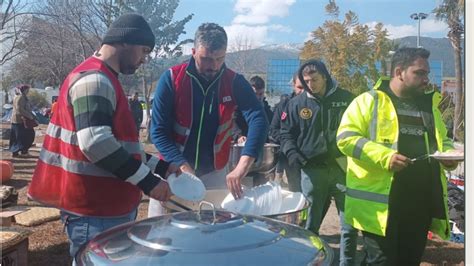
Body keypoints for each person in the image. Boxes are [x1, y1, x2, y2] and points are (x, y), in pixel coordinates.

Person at [28, 13, 174, 259]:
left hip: (103, 207)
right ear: (125, 41)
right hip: (95, 210)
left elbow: (119, 145)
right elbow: (96, 143)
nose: (144, 60)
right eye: (144, 50)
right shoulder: (95, 79)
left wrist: (162, 167)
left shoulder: (103, 77)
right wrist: (149, 182)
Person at [336, 47, 458, 265]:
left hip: (420, 205)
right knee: (382, 262)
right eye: (419, 73)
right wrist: (385, 157)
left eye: (427, 74)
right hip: (381, 208)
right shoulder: (368, 101)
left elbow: (443, 140)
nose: (425, 79)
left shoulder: (429, 107)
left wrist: (449, 156)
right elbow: (345, 138)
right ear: (399, 72)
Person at [149, 22, 268, 216]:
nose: (213, 66)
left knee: (212, 233)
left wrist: (242, 166)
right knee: (162, 233)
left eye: (219, 59)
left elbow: (258, 118)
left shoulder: (234, 82)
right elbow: (158, 132)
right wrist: (182, 166)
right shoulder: (171, 79)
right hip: (173, 169)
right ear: (194, 51)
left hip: (214, 172)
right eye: (205, 59)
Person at [280, 60, 358, 265]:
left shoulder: (346, 99)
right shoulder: (297, 104)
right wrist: (292, 155)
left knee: (349, 224)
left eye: (315, 79)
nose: (311, 84)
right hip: (312, 171)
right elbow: (285, 133)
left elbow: (361, 127)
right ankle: (308, 260)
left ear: (325, 76)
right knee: (310, 224)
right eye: (306, 81)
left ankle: (347, 262)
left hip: (343, 168)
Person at [232, 75, 273, 186]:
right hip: (241, 149)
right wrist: (238, 135)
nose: (258, 97)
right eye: (255, 94)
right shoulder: (240, 108)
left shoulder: (267, 110)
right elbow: (232, 122)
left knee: (260, 185)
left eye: (261, 94)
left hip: (261, 150)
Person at [269, 72, 304, 192]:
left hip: (313, 159)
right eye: (300, 87)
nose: (303, 91)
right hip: (291, 158)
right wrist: (288, 143)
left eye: (306, 87)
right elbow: (273, 129)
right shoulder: (284, 104)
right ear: (293, 85)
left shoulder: (316, 105)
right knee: (297, 192)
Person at [10, 84, 36, 157]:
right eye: (27, 90)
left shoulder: (18, 97)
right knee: (27, 136)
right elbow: (20, 109)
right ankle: (22, 151)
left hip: (17, 120)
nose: (28, 91)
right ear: (24, 90)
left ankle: (17, 151)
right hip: (21, 120)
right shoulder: (21, 97)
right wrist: (30, 116)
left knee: (17, 137)